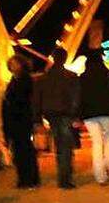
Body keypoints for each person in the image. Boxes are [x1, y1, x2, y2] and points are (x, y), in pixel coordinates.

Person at [33, 48, 80, 189]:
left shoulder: (43, 78)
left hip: (50, 113)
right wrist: (76, 115)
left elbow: (36, 100)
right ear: (65, 59)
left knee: (59, 144)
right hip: (65, 113)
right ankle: (65, 178)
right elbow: (76, 98)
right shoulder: (71, 76)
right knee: (65, 146)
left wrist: (37, 119)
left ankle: (63, 175)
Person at [78, 50, 109, 185]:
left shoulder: (82, 78)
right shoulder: (108, 74)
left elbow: (78, 97)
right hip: (107, 111)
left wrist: (79, 114)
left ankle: (100, 176)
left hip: (89, 114)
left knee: (96, 143)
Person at [2, 55, 39, 189]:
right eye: (11, 64)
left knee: (24, 149)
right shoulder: (13, 80)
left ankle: (28, 178)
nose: (13, 67)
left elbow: (24, 99)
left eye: (15, 64)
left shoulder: (25, 80)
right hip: (14, 120)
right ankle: (25, 177)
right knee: (19, 150)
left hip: (22, 119)